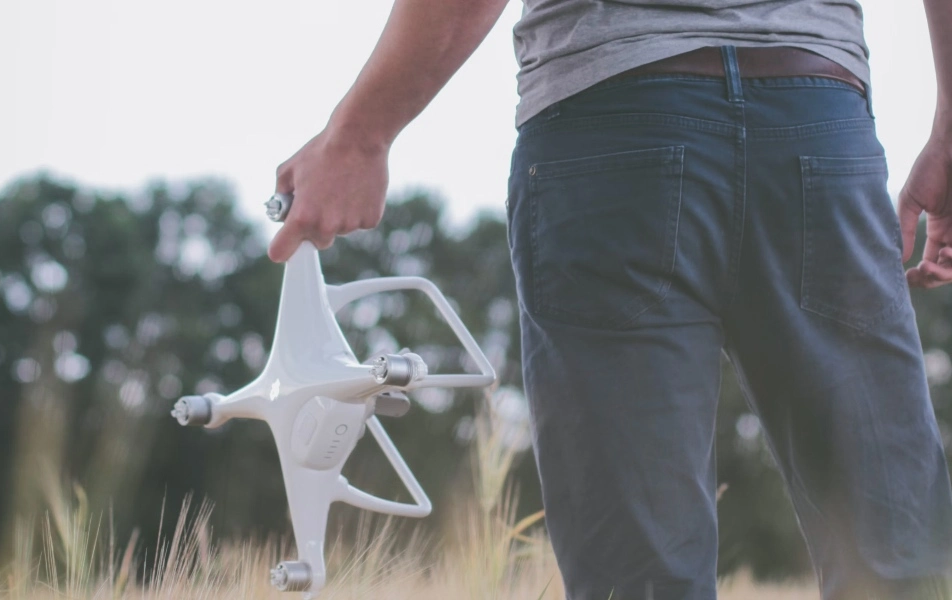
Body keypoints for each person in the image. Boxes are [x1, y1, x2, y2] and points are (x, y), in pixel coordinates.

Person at [266, 1, 952, 598]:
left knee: (640, 572)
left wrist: (359, 136)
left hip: (615, 131)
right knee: (898, 551)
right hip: (817, 125)